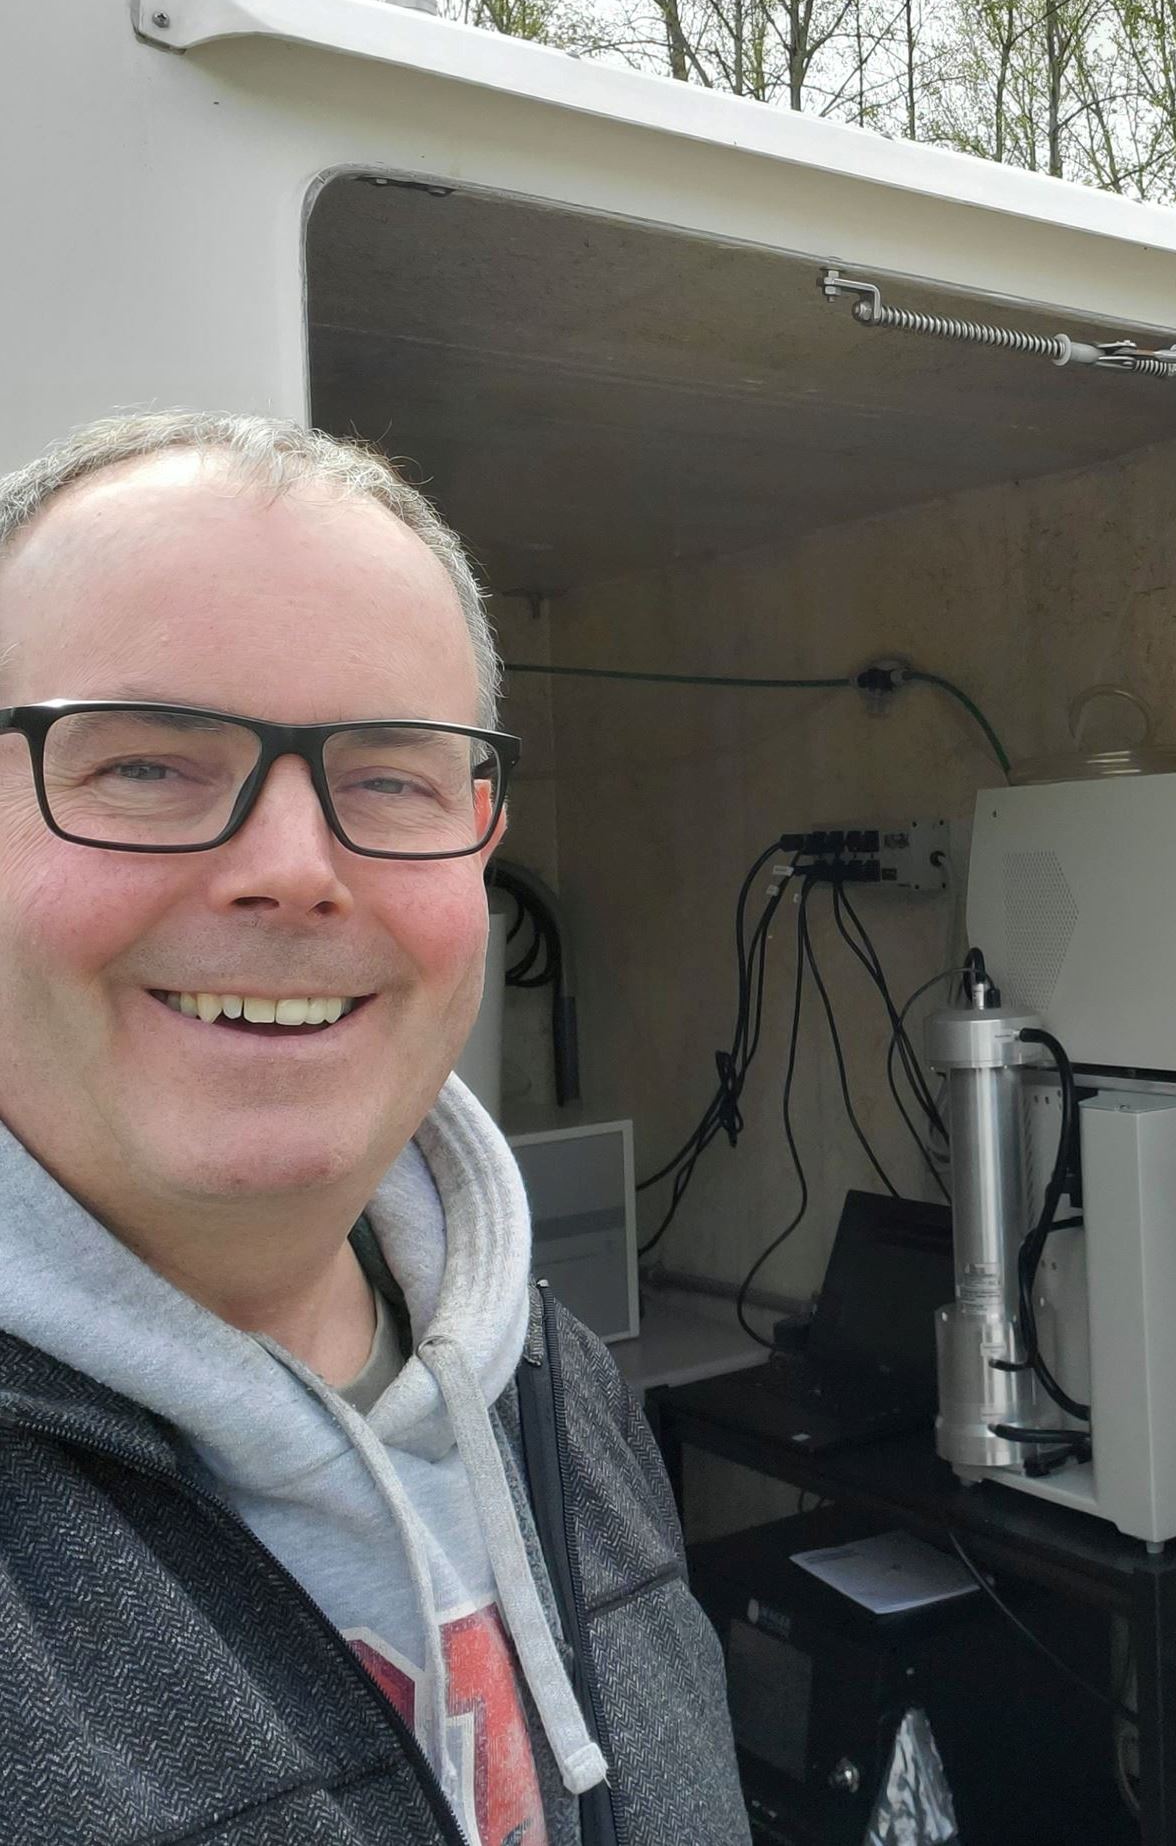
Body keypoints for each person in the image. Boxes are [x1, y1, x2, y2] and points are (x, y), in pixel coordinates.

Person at [0, 414, 748, 1845]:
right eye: (150, 764)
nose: (292, 870)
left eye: (390, 777)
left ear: (478, 834)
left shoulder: (550, 1378)